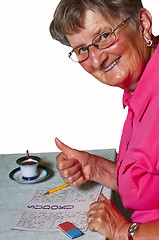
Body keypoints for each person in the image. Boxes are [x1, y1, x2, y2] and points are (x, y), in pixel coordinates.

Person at [50, 0, 159, 239]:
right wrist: (96, 168)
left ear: (143, 24)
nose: (96, 60)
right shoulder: (141, 85)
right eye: (81, 49)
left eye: (104, 35)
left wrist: (122, 231)